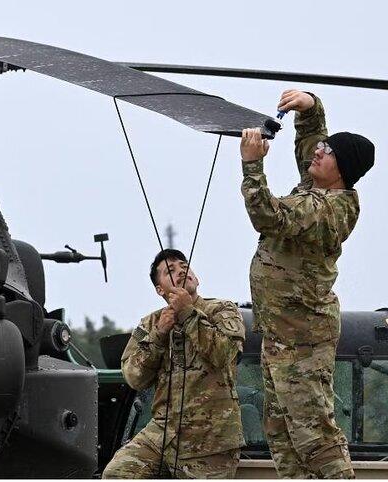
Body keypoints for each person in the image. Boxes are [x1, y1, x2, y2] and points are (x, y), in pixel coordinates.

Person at [240, 90, 375, 478]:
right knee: (282, 434)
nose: (319, 151)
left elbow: (268, 216)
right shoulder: (316, 187)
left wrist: (252, 165)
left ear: (341, 170)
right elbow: (310, 144)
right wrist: (310, 107)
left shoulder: (327, 209)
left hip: (302, 339)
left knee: (314, 436)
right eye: (323, 147)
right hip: (281, 335)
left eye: (328, 152)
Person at [103, 249, 245, 479]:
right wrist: (159, 335)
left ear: (196, 278)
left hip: (211, 437)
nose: (181, 271)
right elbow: (134, 377)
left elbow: (225, 354)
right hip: (162, 433)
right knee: (117, 473)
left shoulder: (222, 309)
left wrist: (187, 313)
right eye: (170, 270)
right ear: (160, 289)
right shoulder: (151, 323)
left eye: (184, 266)